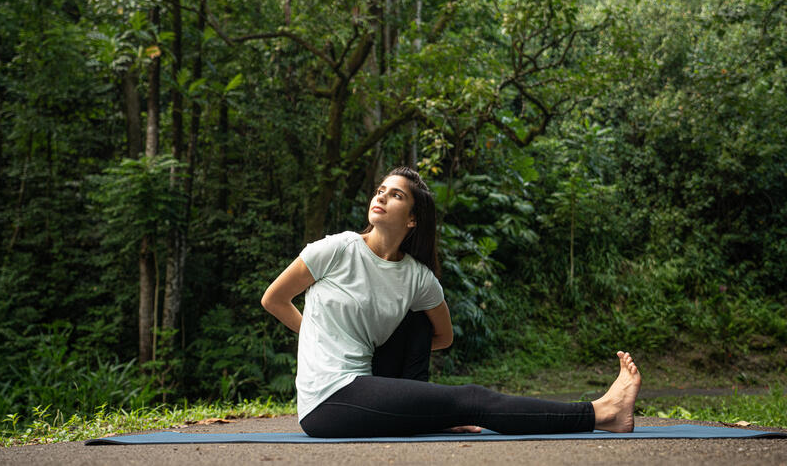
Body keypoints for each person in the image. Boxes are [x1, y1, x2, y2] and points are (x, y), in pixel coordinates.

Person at [261, 166, 641, 437]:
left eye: (396, 195)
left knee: (418, 322)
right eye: (381, 190)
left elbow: (440, 336)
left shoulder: (418, 277)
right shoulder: (337, 249)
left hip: (368, 384)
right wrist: (317, 334)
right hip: (329, 400)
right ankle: (601, 412)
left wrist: (422, 403)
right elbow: (274, 299)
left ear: (412, 220)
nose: (382, 197)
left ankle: (428, 415)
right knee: (471, 399)